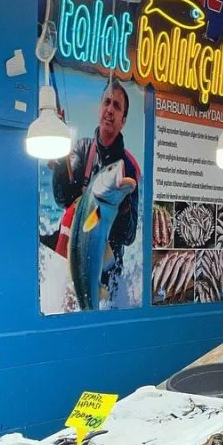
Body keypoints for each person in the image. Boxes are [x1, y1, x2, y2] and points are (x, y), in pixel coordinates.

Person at [41, 79, 141, 306]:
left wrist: (123, 204)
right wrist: (60, 165)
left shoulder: (129, 167)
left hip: (108, 271)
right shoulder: (82, 149)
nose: (110, 109)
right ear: (99, 109)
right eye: (107, 102)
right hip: (76, 257)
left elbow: (129, 236)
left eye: (117, 106)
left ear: (123, 120)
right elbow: (63, 199)